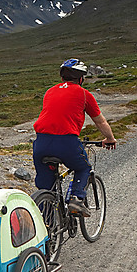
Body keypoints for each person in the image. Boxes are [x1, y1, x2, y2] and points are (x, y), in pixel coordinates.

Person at [33, 58, 117, 217]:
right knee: (83, 168)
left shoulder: (50, 92)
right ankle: (76, 200)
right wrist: (110, 139)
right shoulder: (84, 94)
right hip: (66, 142)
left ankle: (47, 229)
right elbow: (100, 121)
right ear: (80, 79)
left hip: (41, 143)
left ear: (62, 77)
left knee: (46, 189)